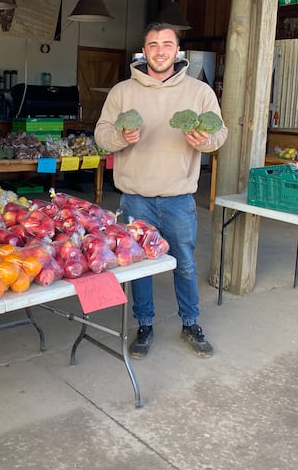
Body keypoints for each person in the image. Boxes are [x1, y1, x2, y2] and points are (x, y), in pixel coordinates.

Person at [94, 22, 228, 359]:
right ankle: (145, 325)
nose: (160, 50)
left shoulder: (199, 92)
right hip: (136, 197)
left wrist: (206, 140)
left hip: (180, 197)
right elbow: (101, 134)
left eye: (167, 43)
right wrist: (120, 138)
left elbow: (219, 133)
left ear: (177, 50)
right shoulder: (122, 91)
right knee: (139, 265)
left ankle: (191, 323)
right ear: (144, 50)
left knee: (184, 263)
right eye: (153, 44)